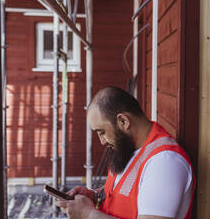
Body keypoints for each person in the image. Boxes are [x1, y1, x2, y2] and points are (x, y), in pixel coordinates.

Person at [56, 86, 194, 219]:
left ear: (123, 121)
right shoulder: (128, 148)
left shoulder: (164, 163)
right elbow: (123, 192)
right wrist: (94, 196)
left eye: (102, 132)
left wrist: (88, 215)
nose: (102, 141)